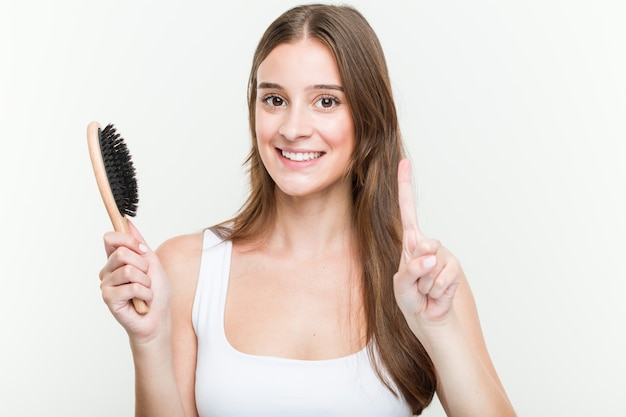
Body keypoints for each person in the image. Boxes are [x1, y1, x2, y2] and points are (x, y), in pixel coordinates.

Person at [99, 4, 516, 416]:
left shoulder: (425, 282)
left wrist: (437, 328)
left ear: (368, 117)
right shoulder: (188, 269)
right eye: (275, 99)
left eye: (326, 102)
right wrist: (150, 341)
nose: (293, 128)